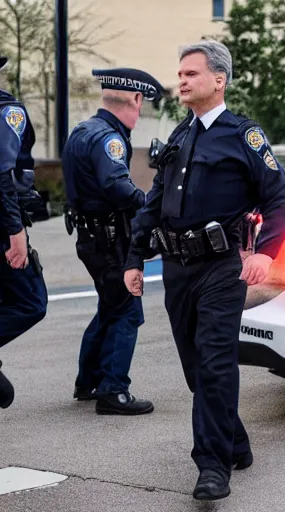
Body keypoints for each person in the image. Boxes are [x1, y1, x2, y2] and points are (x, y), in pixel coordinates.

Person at [124, 41, 285, 500]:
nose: (181, 80)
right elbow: (154, 204)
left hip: (222, 267)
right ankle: (235, 441)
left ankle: (212, 466)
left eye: (191, 73)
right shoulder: (179, 136)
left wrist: (266, 252)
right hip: (178, 269)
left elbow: (279, 196)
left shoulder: (244, 136)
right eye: (179, 74)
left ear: (218, 80)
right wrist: (135, 258)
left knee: (216, 364)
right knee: (197, 370)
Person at [61, 67, 164, 416]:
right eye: (142, 104)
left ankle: (88, 380)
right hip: (109, 240)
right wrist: (150, 204)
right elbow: (116, 186)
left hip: (91, 238)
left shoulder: (83, 130)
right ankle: (113, 390)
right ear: (135, 99)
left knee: (110, 305)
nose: (141, 112)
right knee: (127, 311)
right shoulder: (110, 138)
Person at [0, 55, 48, 409]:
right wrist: (16, 231)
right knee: (32, 302)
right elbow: (2, 173)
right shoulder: (8, 111)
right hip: (3, 227)